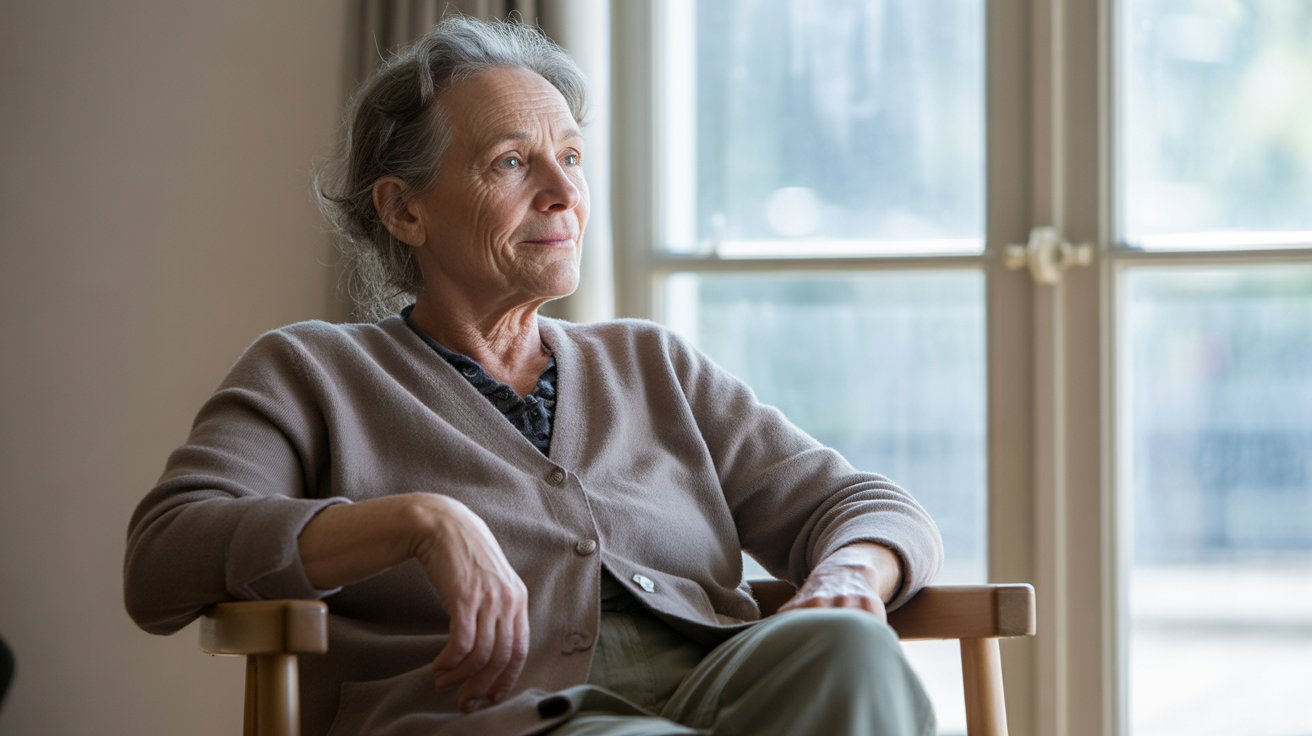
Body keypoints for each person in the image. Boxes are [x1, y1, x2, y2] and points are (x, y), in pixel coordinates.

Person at [124, 16, 943, 736]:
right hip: (502, 719)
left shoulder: (652, 364)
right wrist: (417, 521)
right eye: (513, 163)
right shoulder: (313, 373)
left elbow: (865, 506)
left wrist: (846, 576)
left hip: (718, 693)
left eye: (572, 157)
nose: (563, 193)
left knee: (847, 646)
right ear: (405, 210)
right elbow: (165, 556)